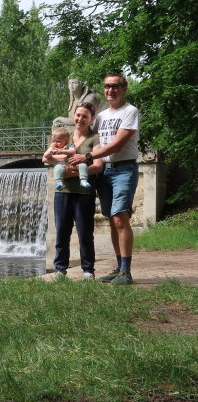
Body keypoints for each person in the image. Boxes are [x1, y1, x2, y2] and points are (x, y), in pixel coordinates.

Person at [69, 73, 140, 285]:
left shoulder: (130, 111)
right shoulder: (100, 117)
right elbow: (85, 136)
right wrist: (60, 148)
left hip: (124, 169)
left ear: (124, 88)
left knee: (120, 218)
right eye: (107, 86)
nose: (110, 90)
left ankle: (126, 271)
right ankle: (119, 268)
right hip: (104, 172)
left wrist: (87, 156)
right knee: (111, 219)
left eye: (115, 86)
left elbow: (117, 145)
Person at [43, 102, 103, 280]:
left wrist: (73, 173)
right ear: (73, 116)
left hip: (84, 194)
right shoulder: (63, 138)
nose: (80, 119)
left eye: (85, 116)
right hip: (63, 193)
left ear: (91, 118)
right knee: (62, 232)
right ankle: (60, 269)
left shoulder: (94, 139)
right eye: (78, 115)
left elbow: (98, 166)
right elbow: (47, 159)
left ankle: (88, 270)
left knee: (85, 233)